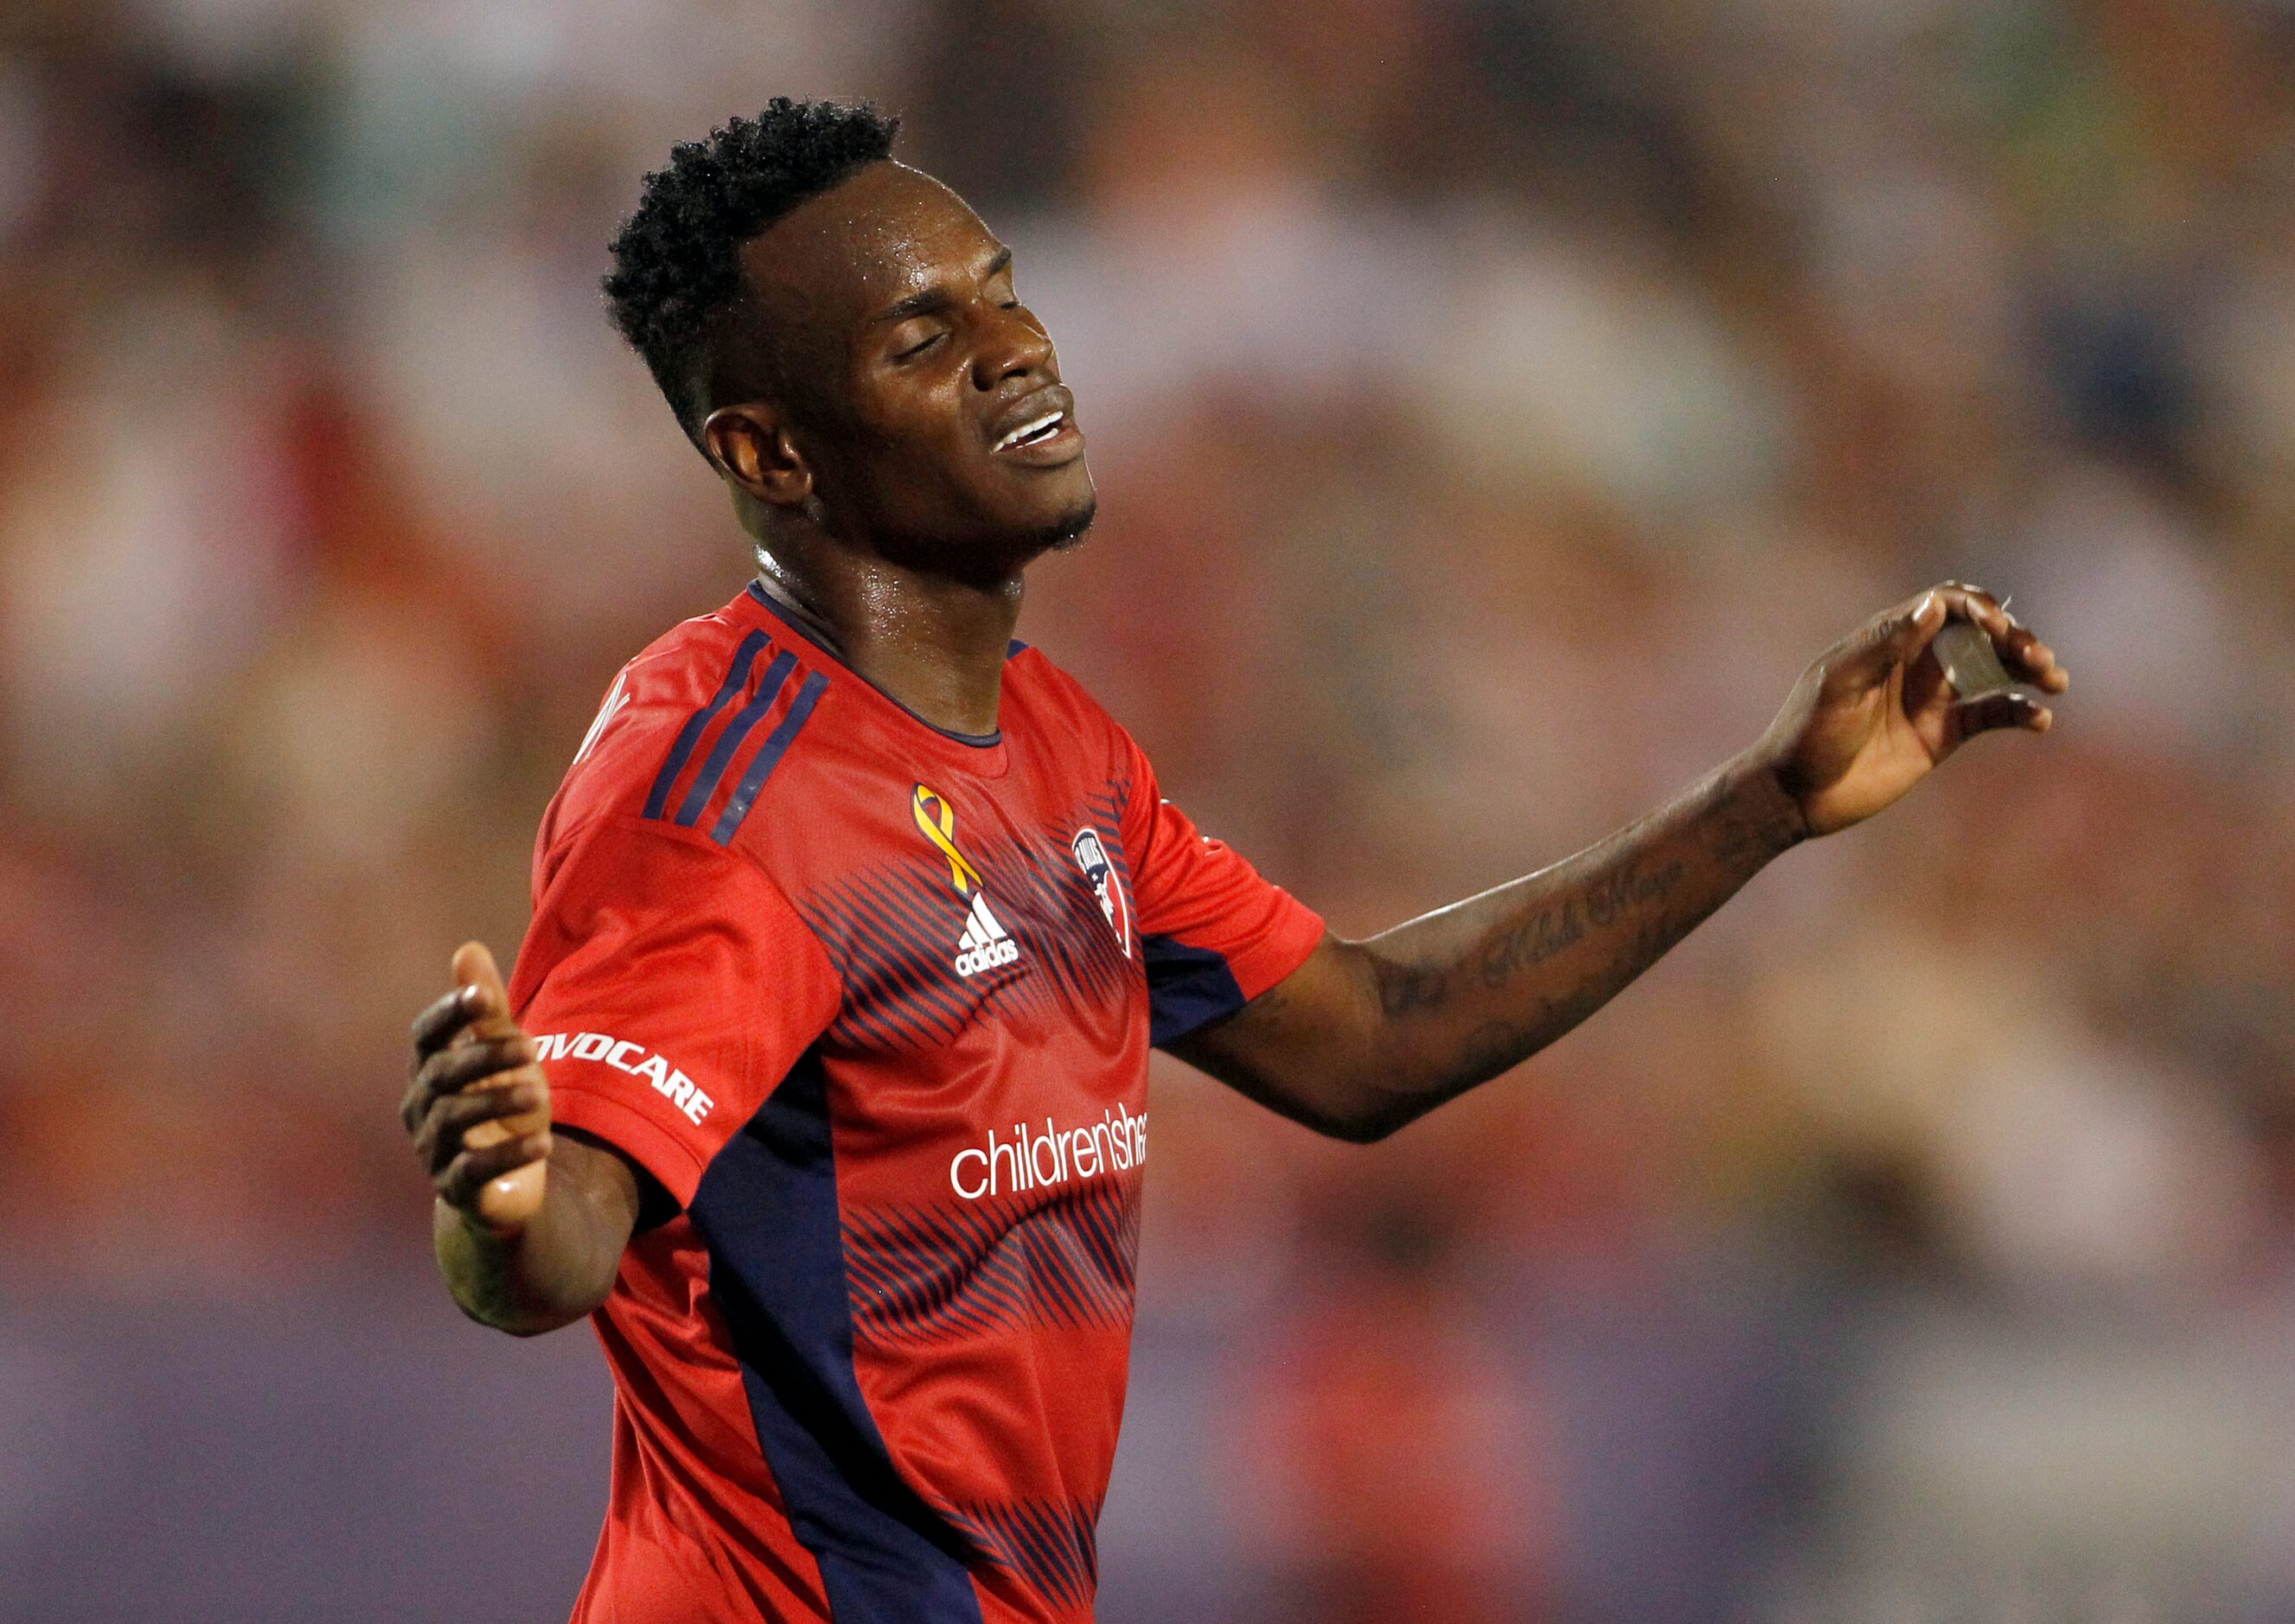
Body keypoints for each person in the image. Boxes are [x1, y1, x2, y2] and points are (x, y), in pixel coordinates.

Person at [399, 99, 2068, 1624]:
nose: (1016, 349)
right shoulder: (721, 787)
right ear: (771, 453)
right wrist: (498, 1203)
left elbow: (1364, 1036)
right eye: (924, 336)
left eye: (999, 288)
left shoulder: (1056, 749)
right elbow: (561, 1241)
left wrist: (1771, 796)